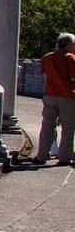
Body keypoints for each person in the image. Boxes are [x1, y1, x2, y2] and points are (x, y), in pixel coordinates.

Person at [34, 32, 75, 165]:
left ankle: (41, 156)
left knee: (47, 125)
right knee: (68, 128)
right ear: (68, 45)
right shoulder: (70, 58)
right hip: (67, 96)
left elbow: (45, 77)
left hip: (50, 95)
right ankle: (64, 158)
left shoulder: (46, 58)